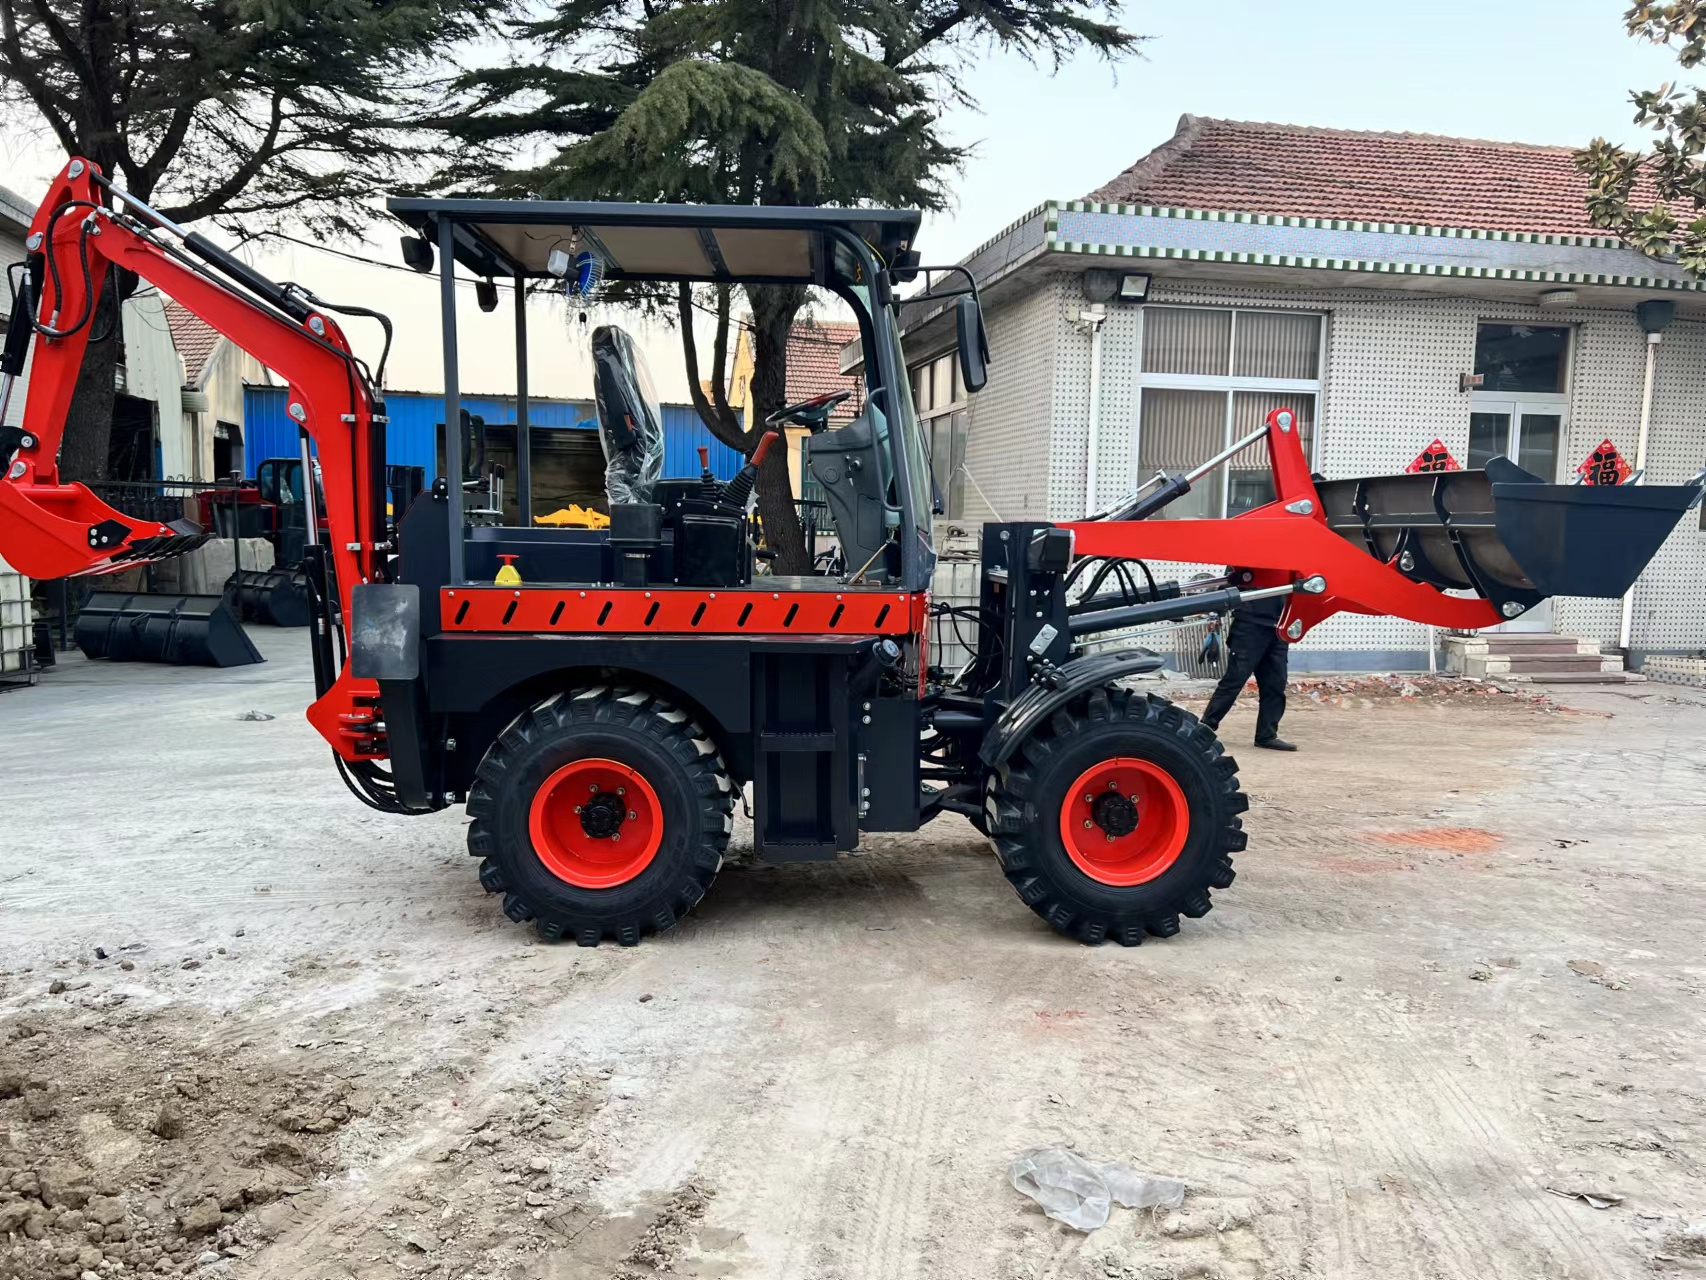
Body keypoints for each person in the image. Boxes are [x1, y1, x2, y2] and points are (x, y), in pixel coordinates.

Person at [1201, 591, 1295, 751]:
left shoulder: (1291, 567)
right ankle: (1204, 731)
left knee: (1275, 685)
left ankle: (1267, 735)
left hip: (1278, 627)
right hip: (1249, 625)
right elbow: (1228, 585)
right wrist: (1215, 615)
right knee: (1233, 681)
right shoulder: (1252, 565)